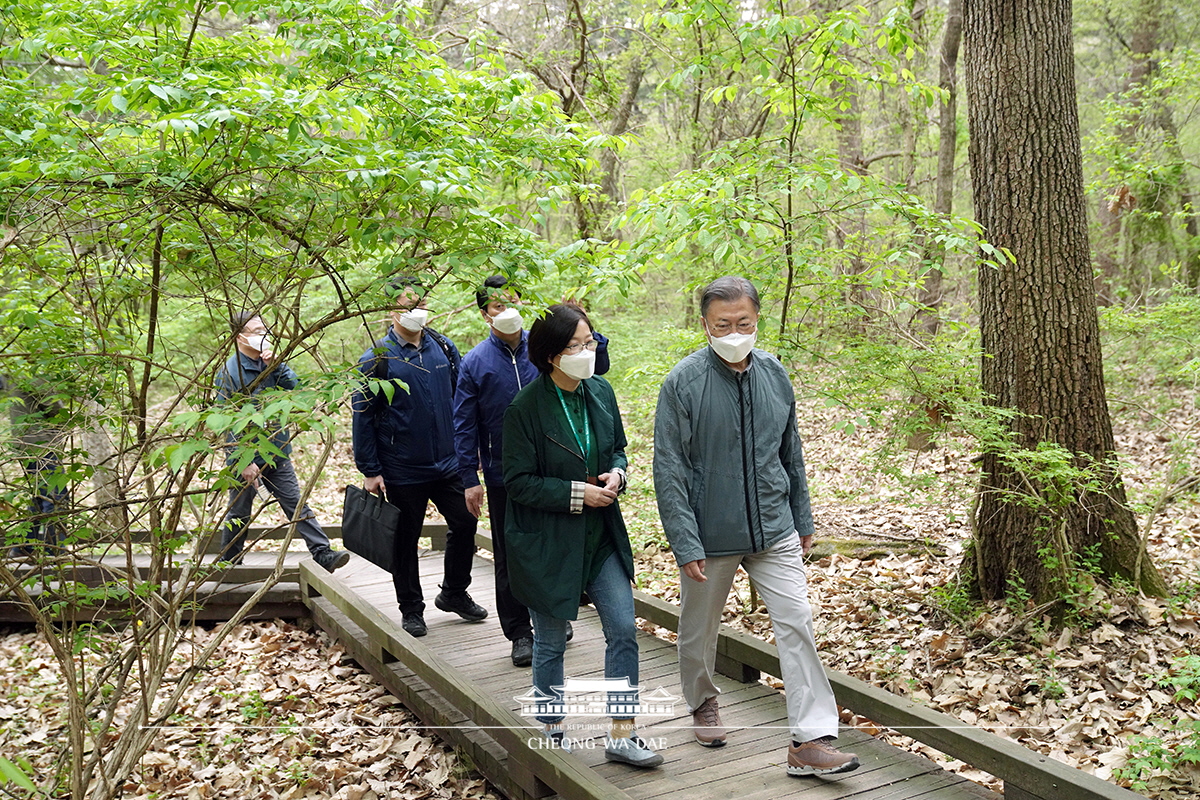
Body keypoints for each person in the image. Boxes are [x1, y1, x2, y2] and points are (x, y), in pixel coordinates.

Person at [652, 276, 860, 776]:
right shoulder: (683, 382)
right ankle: (702, 701)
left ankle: (809, 739)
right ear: (705, 325)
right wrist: (685, 540)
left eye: (743, 322)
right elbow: (669, 467)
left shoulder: (774, 374)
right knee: (699, 631)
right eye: (722, 324)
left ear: (756, 319)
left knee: (797, 624)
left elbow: (791, 452)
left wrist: (802, 517)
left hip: (775, 527)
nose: (733, 332)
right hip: (710, 532)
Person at [502, 304, 662, 768]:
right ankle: (552, 732)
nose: (586, 352)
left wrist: (616, 474)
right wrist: (577, 494)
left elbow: (618, 449)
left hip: (601, 536)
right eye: (575, 346)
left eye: (590, 342)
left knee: (624, 630)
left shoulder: (601, 392)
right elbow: (517, 482)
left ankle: (622, 733)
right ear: (552, 354)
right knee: (550, 642)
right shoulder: (525, 408)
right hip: (548, 541)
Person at [352, 277, 487, 637]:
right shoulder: (377, 359)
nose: (416, 312)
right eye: (407, 305)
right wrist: (370, 469)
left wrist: (470, 453)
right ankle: (411, 608)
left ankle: (454, 593)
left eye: (420, 303)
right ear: (391, 311)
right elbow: (362, 416)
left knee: (465, 521)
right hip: (402, 467)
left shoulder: (443, 347)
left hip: (448, 462)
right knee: (405, 538)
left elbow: (463, 402)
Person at [452, 275, 542, 666]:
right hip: (503, 473)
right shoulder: (475, 363)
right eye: (497, 306)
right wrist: (469, 479)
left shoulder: (543, 348)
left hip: (550, 469)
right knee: (509, 554)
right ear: (485, 315)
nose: (507, 311)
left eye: (512, 302)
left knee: (548, 547)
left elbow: (592, 371)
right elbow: (463, 424)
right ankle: (519, 632)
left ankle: (551, 616)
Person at [216, 312, 349, 573]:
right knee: (239, 512)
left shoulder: (270, 364)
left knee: (295, 502)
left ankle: (322, 553)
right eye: (256, 331)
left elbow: (294, 387)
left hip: (276, 449)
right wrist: (242, 461)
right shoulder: (230, 372)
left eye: (265, 329)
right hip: (245, 455)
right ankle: (228, 563)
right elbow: (225, 420)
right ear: (239, 336)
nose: (263, 335)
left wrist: (277, 364)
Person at [1, 373, 69, 558]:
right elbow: (53, 405)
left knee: (39, 496)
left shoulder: (10, 370)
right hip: (41, 443)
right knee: (57, 498)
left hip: (25, 443)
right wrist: (64, 421)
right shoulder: (33, 373)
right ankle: (55, 550)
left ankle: (24, 547)